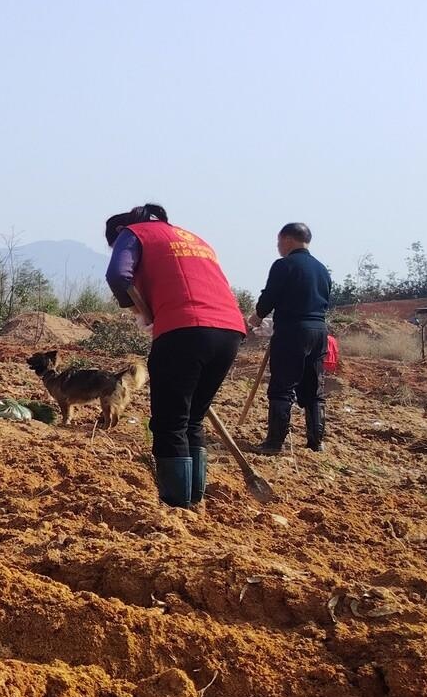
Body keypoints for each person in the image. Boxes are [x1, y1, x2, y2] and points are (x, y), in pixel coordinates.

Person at [104, 203, 247, 509]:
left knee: (170, 424)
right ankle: (195, 501)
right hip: (230, 331)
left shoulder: (132, 234)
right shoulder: (194, 240)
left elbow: (118, 276)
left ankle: (175, 506)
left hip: (184, 329)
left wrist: (145, 311)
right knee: (192, 420)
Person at [251, 222, 331, 453]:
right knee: (314, 388)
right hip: (319, 331)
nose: (278, 247)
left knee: (282, 387)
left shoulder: (284, 265)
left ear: (287, 240)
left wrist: (256, 318)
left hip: (293, 332)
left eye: (278, 242)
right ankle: (316, 442)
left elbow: (269, 298)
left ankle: (275, 443)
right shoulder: (321, 269)